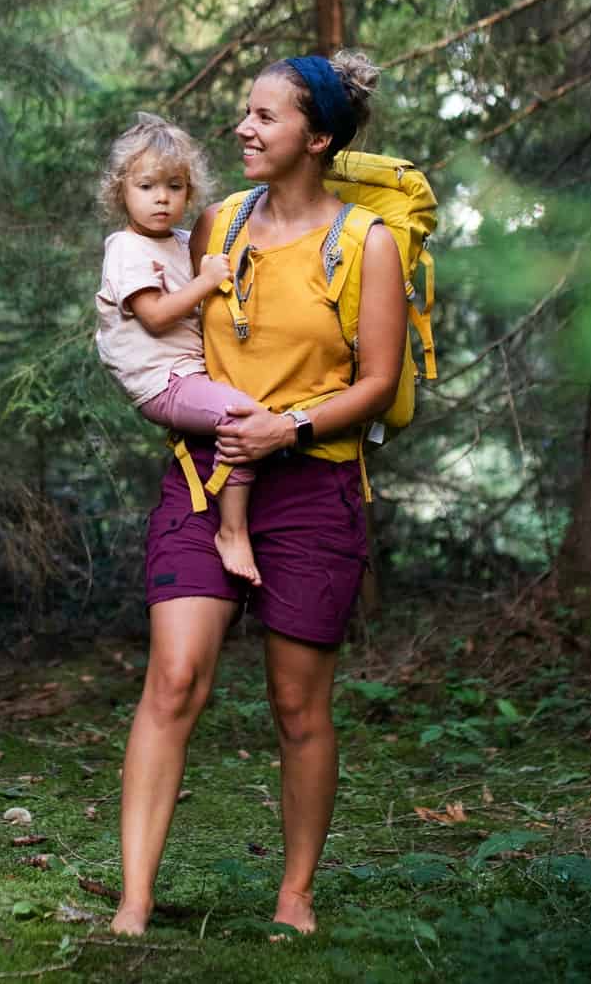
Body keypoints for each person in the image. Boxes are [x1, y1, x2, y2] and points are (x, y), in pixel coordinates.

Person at [110, 51, 407, 938]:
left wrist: (291, 426)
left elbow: (380, 381)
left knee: (295, 704)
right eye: (245, 112)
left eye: (265, 117)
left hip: (313, 488)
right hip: (204, 478)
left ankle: (295, 893)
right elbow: (164, 326)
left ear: (316, 138)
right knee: (172, 678)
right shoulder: (214, 224)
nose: (243, 128)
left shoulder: (365, 244)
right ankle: (133, 899)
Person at [94, 115, 263, 586]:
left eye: (175, 186)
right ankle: (232, 531)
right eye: (147, 186)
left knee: (244, 412)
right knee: (242, 416)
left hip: (189, 373)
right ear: (120, 191)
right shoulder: (126, 249)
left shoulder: (185, 243)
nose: (162, 198)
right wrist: (209, 280)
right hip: (161, 382)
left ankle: (227, 507)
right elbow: (156, 315)